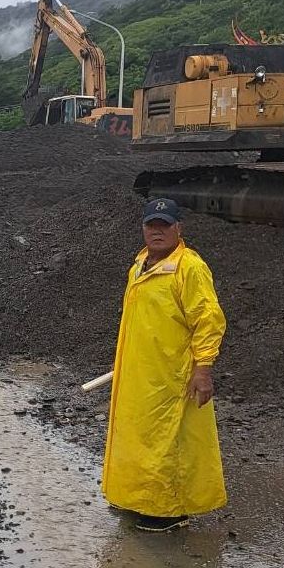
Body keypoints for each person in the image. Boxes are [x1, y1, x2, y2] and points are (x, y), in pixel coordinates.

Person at [102, 198, 227, 533]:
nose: (157, 231)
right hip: (140, 372)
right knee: (138, 436)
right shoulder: (140, 263)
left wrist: (203, 369)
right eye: (151, 225)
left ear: (178, 228)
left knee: (166, 441)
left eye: (165, 225)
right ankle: (136, 497)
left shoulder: (189, 268)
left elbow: (209, 321)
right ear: (143, 228)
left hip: (172, 376)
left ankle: (168, 510)